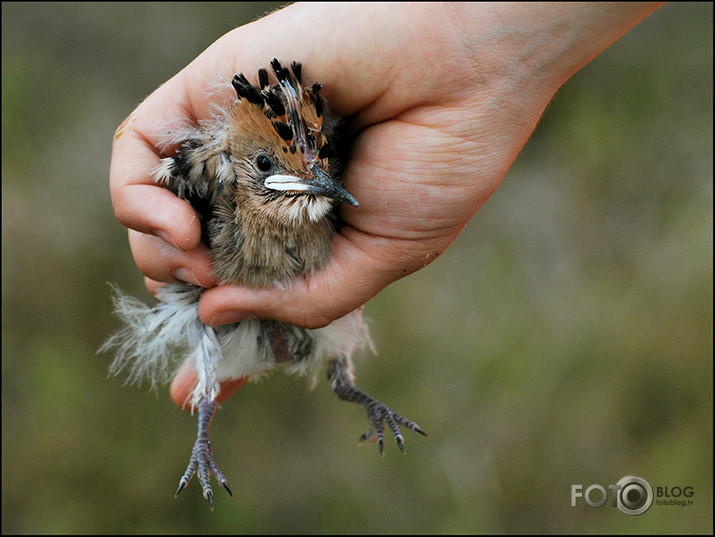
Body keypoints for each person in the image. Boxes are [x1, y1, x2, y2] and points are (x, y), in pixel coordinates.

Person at [108, 2, 664, 407]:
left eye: (320, 162)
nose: (313, 182)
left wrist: (463, 35)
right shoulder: (213, 179)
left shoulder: (323, 178)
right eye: (268, 170)